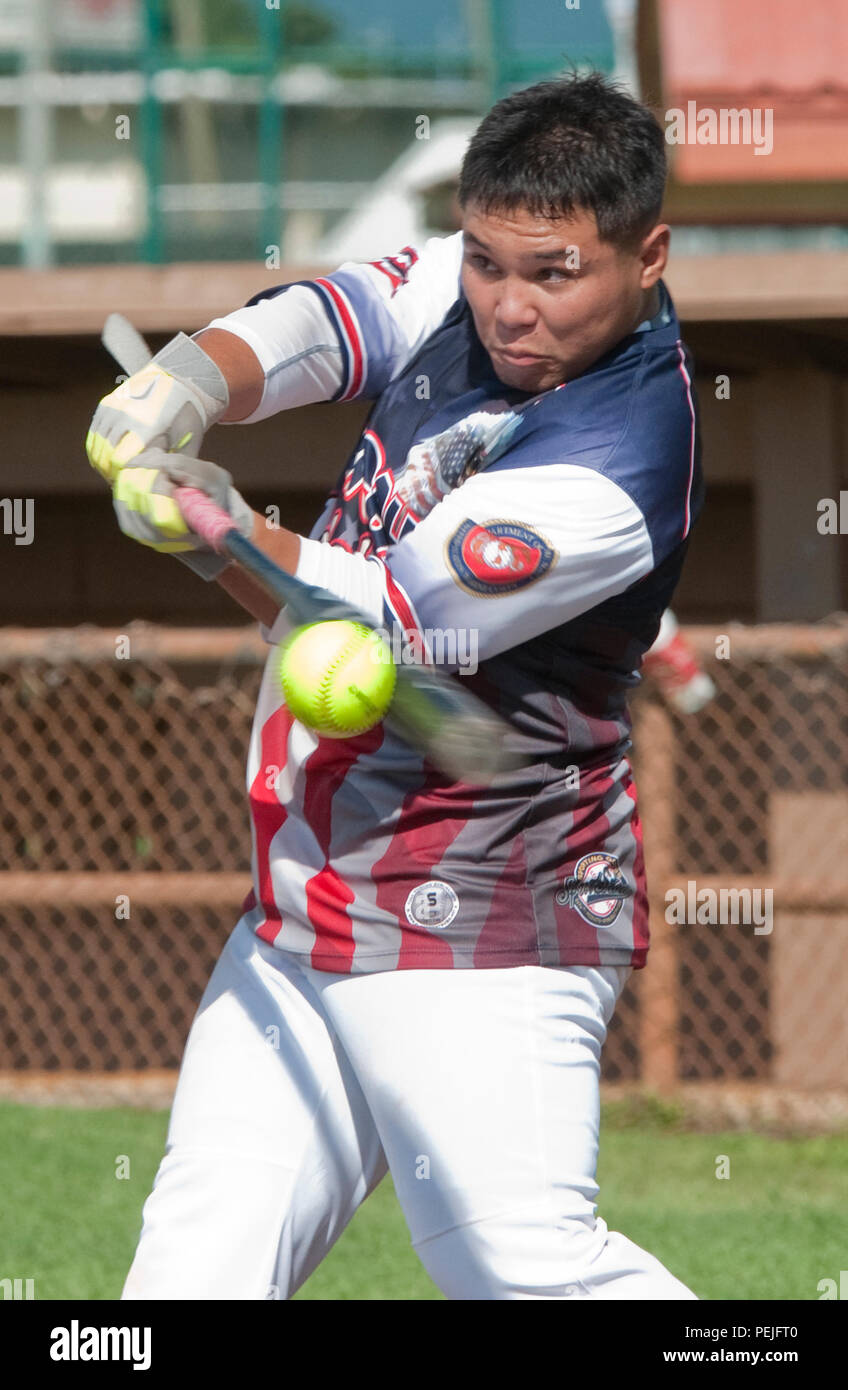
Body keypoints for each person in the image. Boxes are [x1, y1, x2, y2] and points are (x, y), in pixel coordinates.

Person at [87, 71, 702, 1300]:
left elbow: (372, 621)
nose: (507, 306)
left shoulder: (615, 458)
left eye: (551, 274)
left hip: (473, 916)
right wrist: (187, 382)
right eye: (485, 262)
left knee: (525, 1275)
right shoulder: (475, 282)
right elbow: (330, 316)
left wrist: (207, 523)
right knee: (181, 1294)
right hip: (305, 905)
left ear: (647, 257)